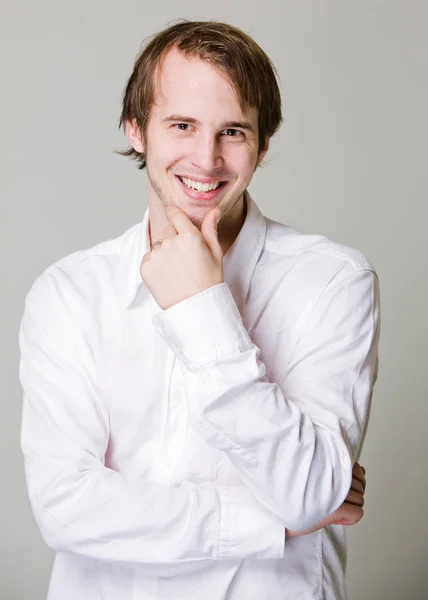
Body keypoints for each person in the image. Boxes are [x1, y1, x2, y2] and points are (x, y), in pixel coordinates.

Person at [19, 20, 379, 600]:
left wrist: (202, 307)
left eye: (233, 131)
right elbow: (65, 506)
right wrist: (269, 524)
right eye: (182, 125)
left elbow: (310, 495)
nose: (207, 159)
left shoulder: (333, 281)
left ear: (263, 145)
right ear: (137, 130)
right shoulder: (69, 292)